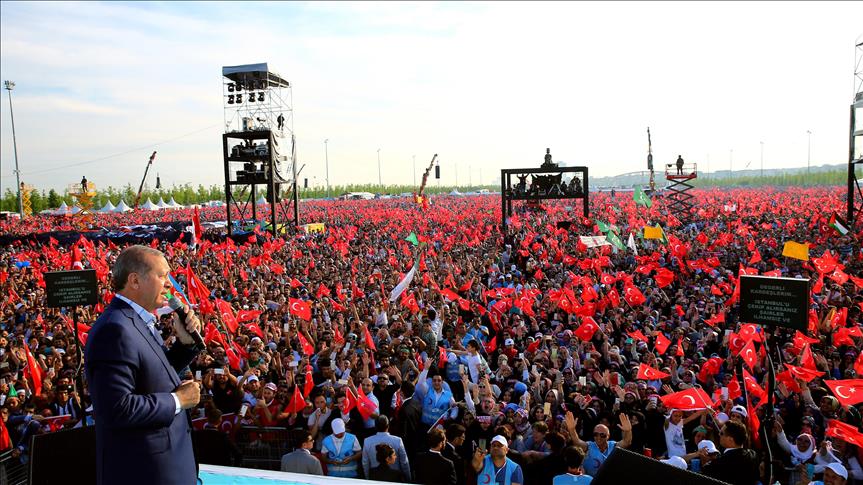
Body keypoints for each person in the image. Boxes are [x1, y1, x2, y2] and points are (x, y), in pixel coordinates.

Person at [84, 245, 203, 485]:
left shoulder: (136, 321)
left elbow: (153, 377)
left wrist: (186, 345)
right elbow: (117, 409)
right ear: (135, 281)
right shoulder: (115, 329)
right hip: (144, 472)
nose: (170, 284)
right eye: (162, 275)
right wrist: (179, 401)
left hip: (163, 467)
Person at [567, 412, 632, 476]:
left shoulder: (613, 446)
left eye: (602, 435)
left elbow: (626, 442)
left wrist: (628, 431)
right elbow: (577, 441)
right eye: (596, 434)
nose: (598, 437)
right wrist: (572, 429)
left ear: (608, 436)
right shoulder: (589, 446)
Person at [700, 420, 759, 485]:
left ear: (730, 439)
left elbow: (704, 475)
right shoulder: (753, 455)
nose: (719, 434)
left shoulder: (721, 462)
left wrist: (704, 461)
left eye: (721, 433)